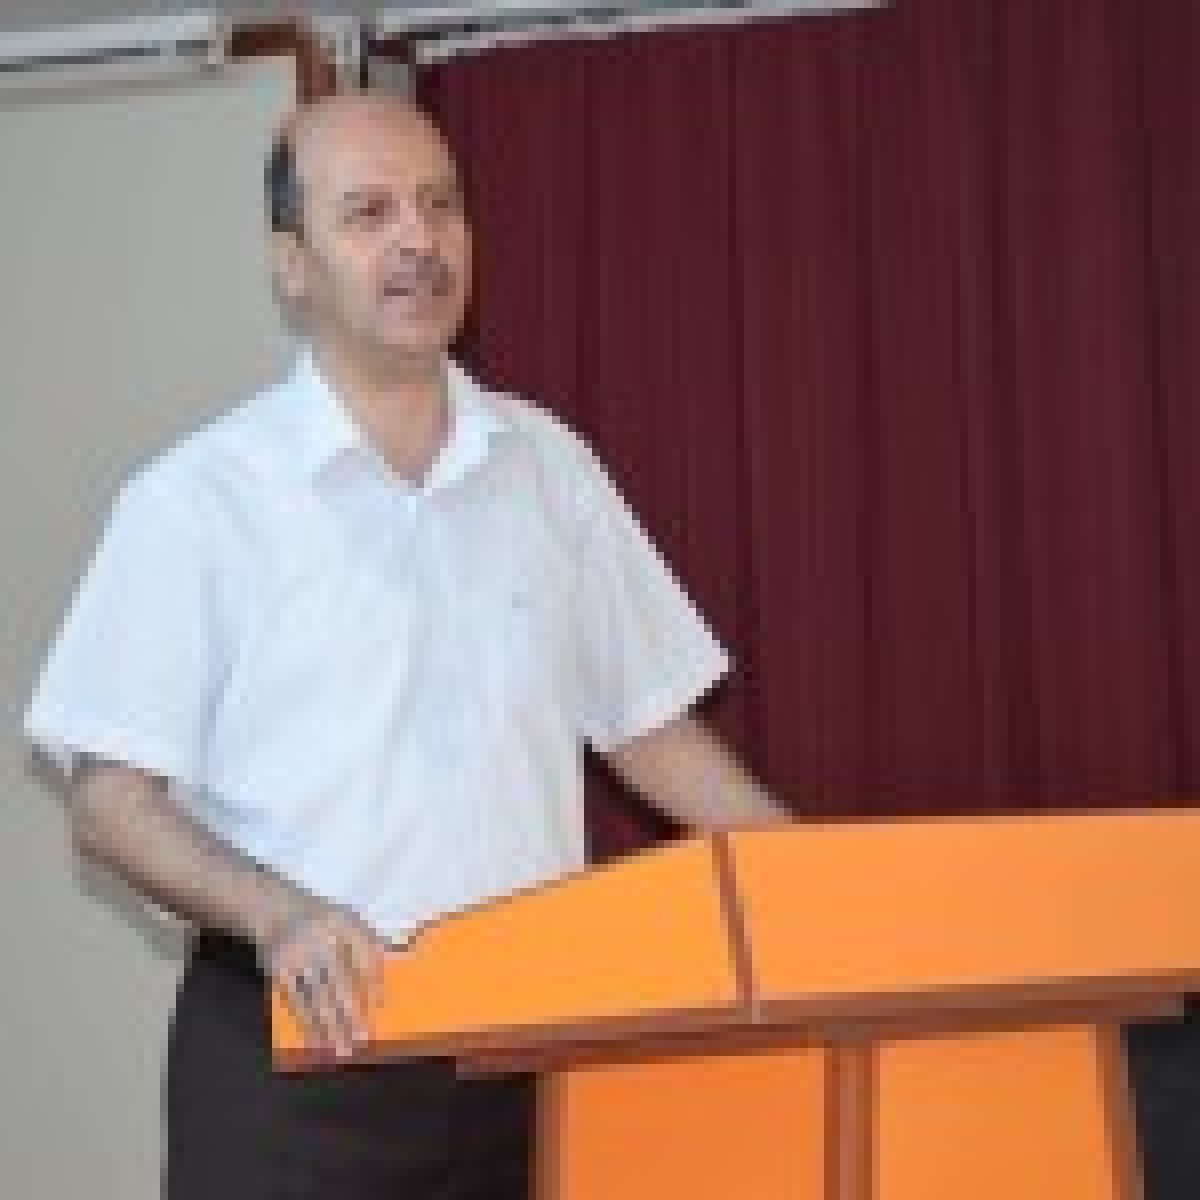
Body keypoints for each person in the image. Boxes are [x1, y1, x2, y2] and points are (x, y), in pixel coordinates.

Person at [24, 92, 785, 1199]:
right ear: (293, 264)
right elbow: (109, 806)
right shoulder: (195, 504)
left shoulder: (548, 468)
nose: (419, 240)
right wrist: (280, 914)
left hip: (532, 1056)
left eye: (440, 204)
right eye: (369, 212)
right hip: (295, 1063)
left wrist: (811, 878)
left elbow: (652, 734)